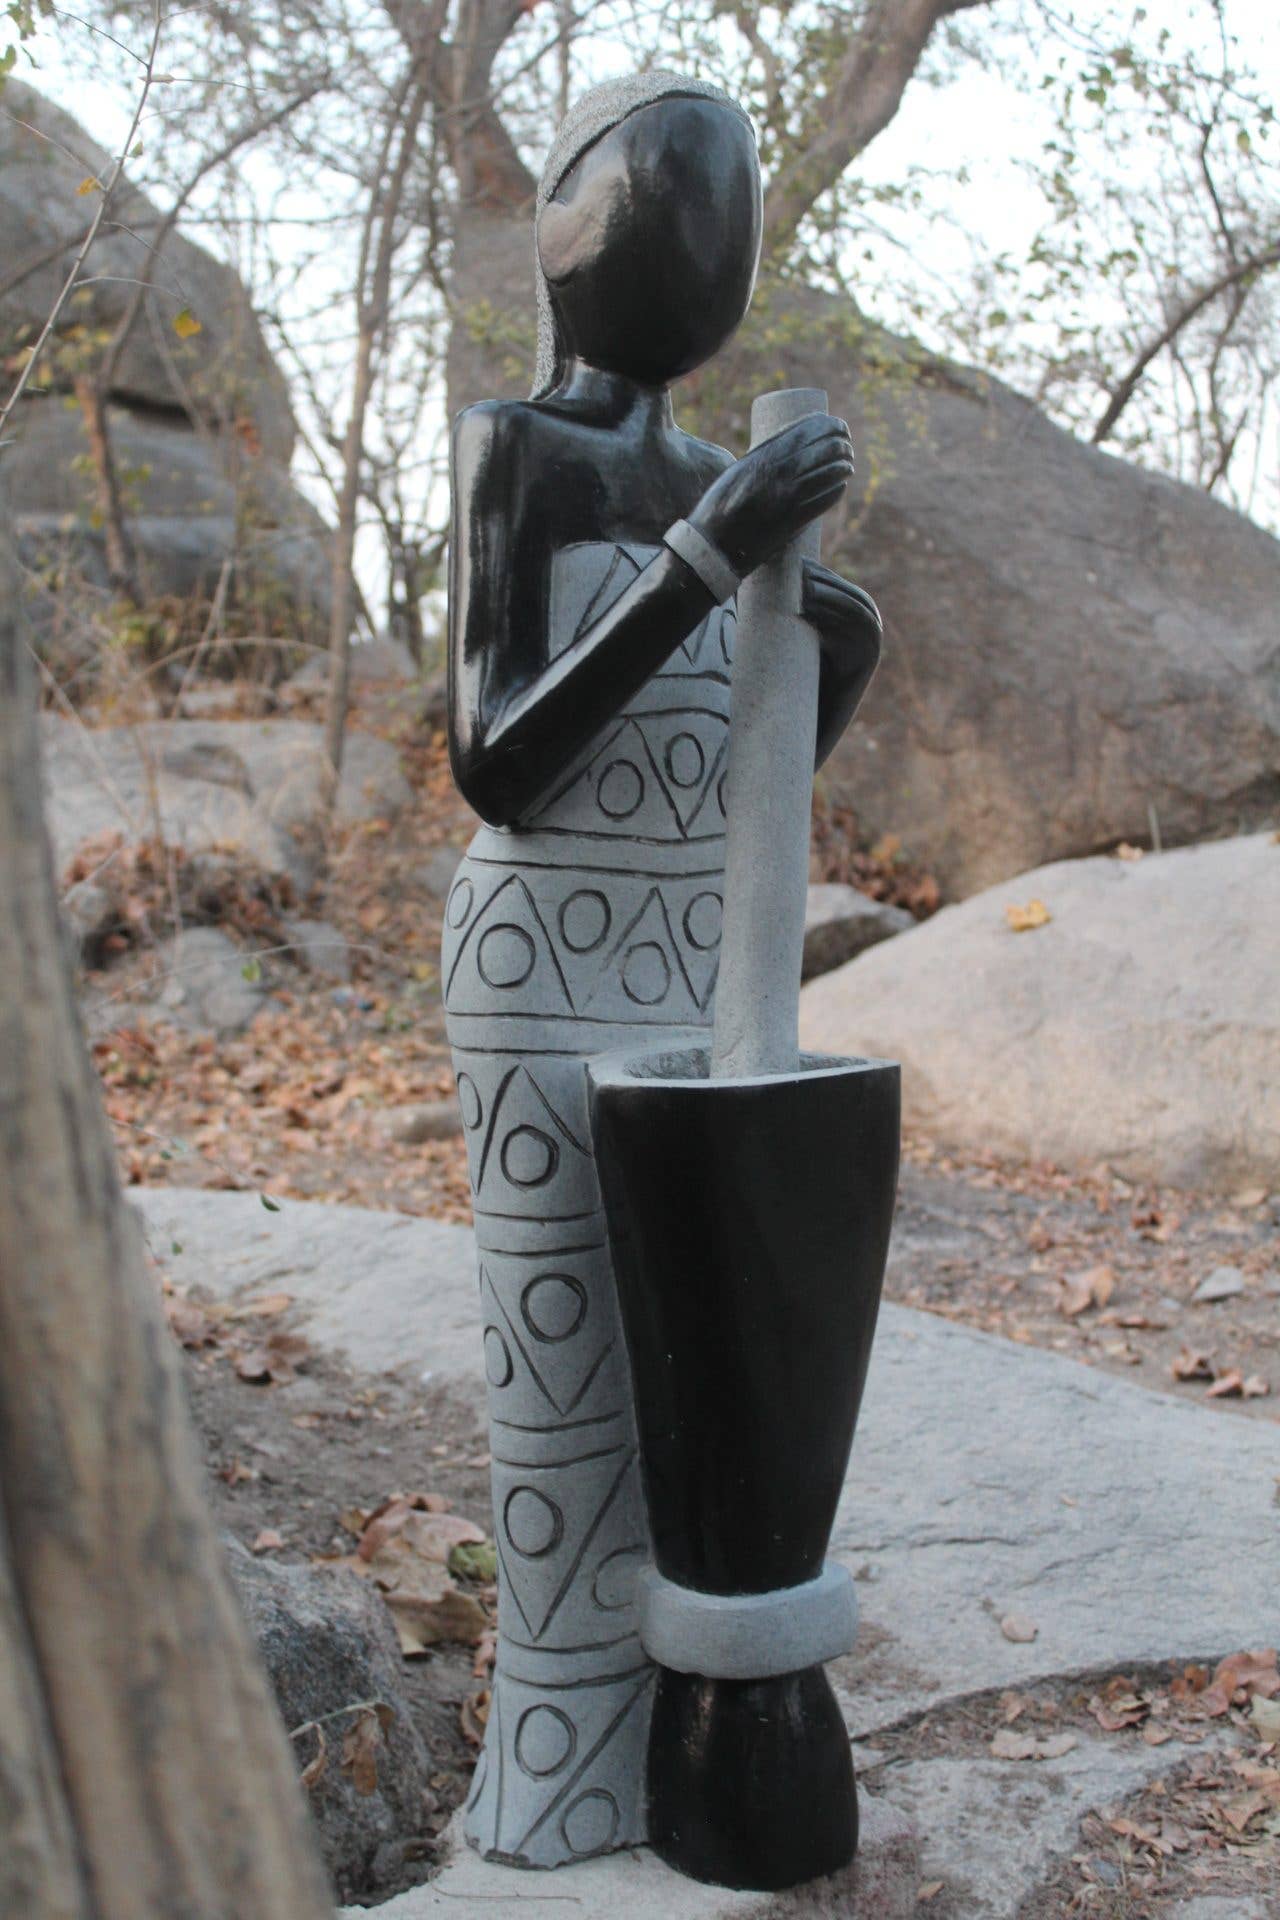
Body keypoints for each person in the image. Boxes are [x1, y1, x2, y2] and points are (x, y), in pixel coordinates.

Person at [442, 70, 880, 1866]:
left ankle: (705, 1733)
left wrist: (833, 640)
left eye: (731, 210)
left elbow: (746, 779)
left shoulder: (724, 480)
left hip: (700, 970)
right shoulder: (525, 452)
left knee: (707, 1360)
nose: (706, 241)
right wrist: (714, 554)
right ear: (572, 229)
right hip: (545, 962)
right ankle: (558, 1757)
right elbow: (501, 760)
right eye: (675, 196)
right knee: (563, 1371)